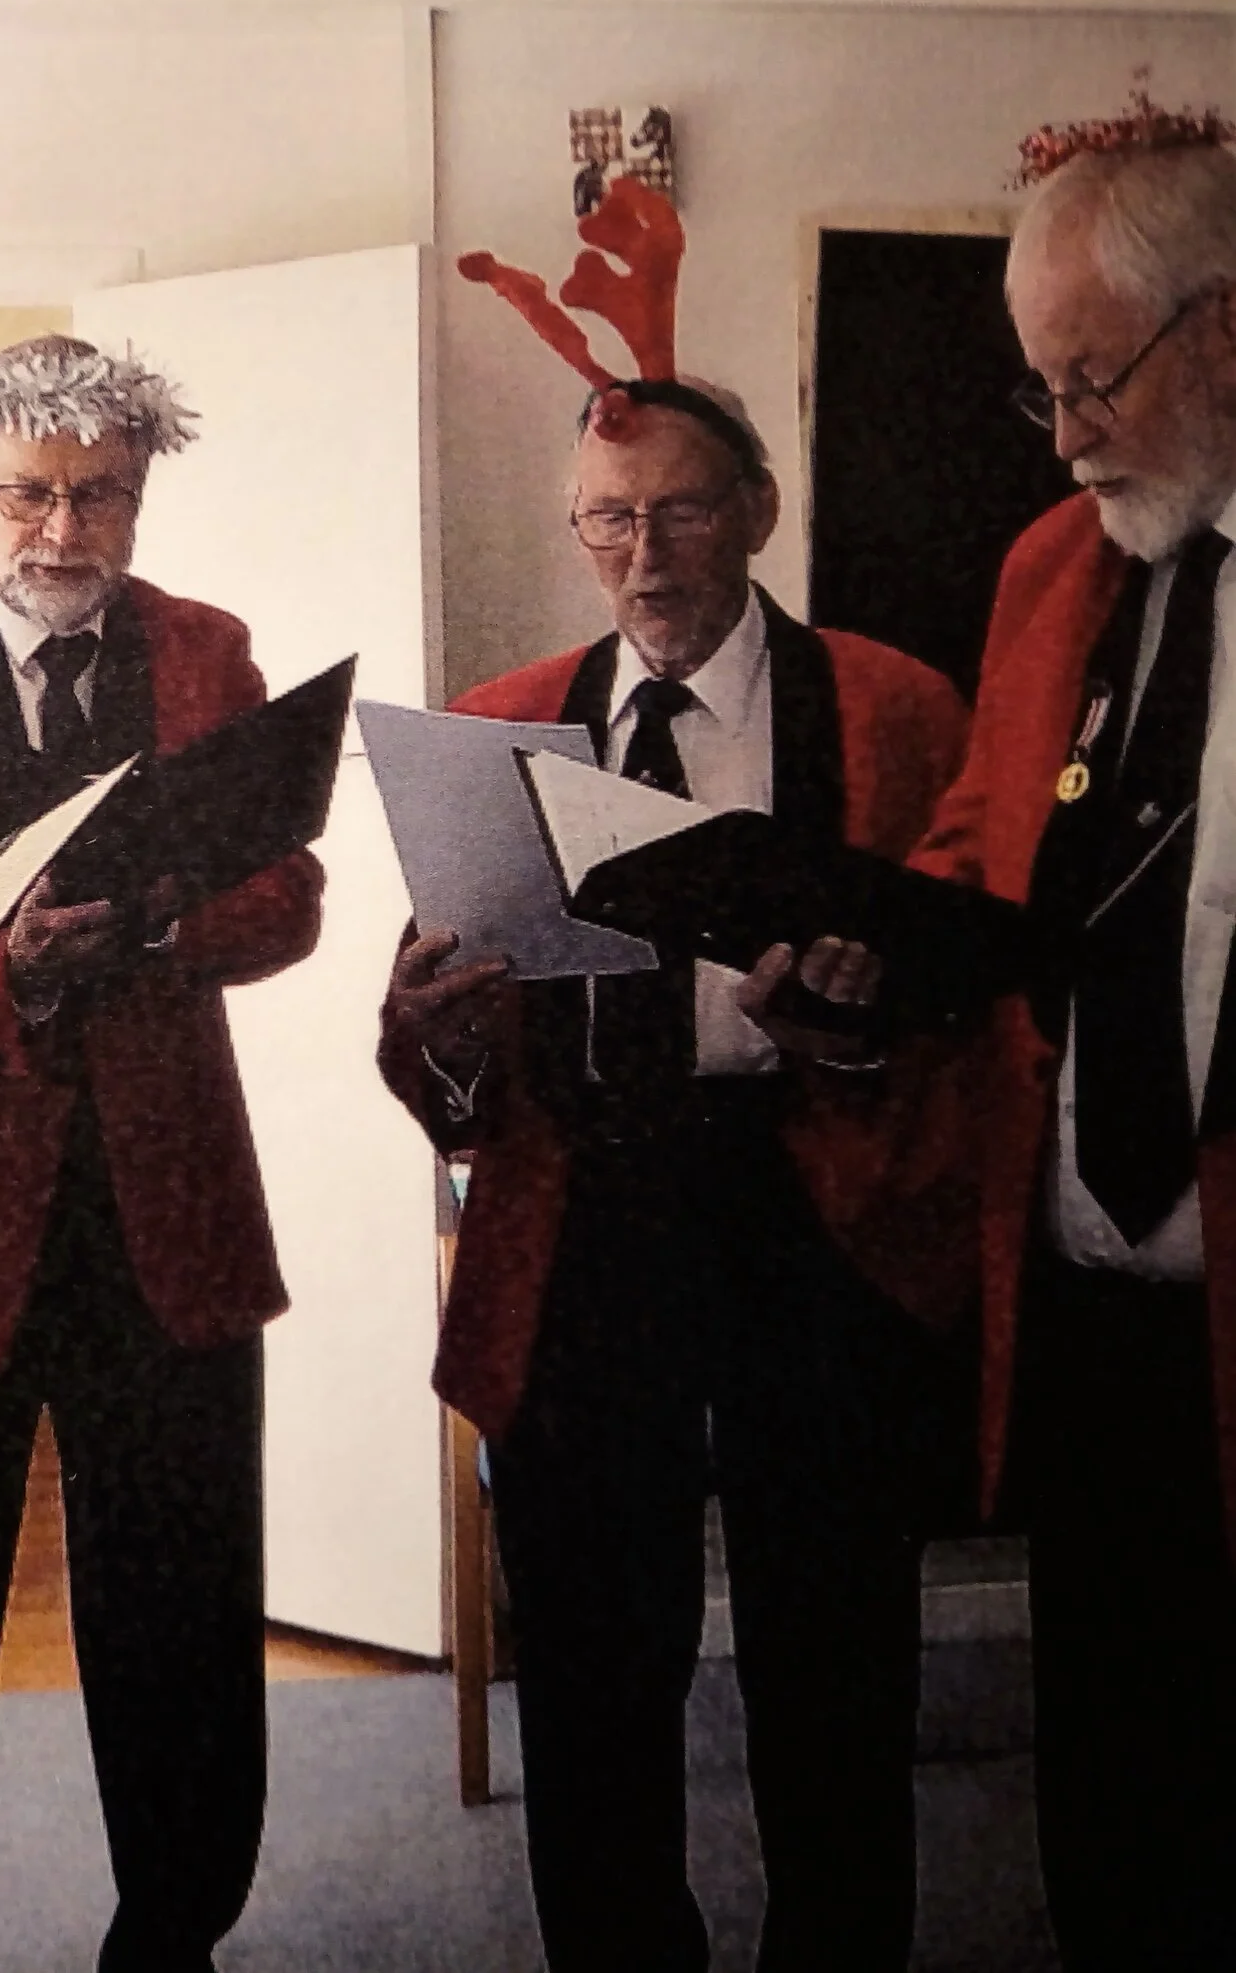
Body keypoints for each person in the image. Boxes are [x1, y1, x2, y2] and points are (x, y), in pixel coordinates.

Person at [378, 379, 972, 1973]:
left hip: (815, 1209)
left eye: (684, 509)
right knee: (590, 1667)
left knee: (835, 1659)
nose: (646, 557)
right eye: (609, 519)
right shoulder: (499, 721)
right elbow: (442, 1075)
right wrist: (430, 1035)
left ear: (758, 513)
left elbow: (973, 993)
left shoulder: (896, 706)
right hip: (585, 1220)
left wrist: (852, 1031)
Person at [0, 333, 323, 1973]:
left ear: (141, 490)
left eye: (98, 495)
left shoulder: (207, 650)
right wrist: (6, 970)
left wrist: (162, 917)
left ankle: (173, 1935)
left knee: (179, 1619)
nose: (60, 532)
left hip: (164, 1215)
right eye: (28, 494)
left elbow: (287, 896)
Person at [854, 114, 1236, 1970]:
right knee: (1117, 1786)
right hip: (1087, 1298)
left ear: (1228, 328)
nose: (1069, 432)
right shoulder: (1049, 570)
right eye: (1044, 392)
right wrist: (859, 945)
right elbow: (982, 842)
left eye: (1093, 379)